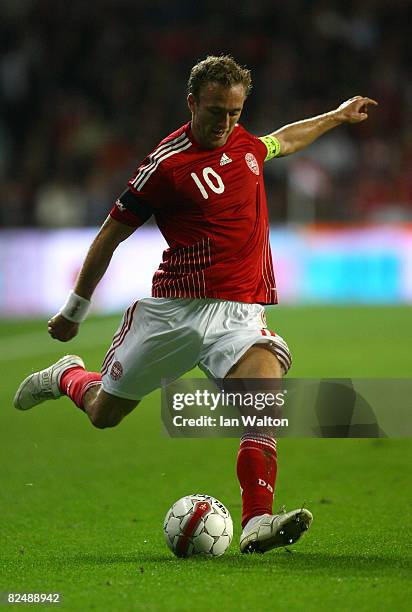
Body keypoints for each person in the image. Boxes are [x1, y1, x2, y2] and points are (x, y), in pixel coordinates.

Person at [14, 55, 377, 554]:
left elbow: (285, 139)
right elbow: (109, 236)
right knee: (103, 413)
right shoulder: (166, 166)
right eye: (214, 112)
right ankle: (66, 376)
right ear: (191, 103)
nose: (224, 123)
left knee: (264, 405)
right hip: (175, 314)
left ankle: (256, 520)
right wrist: (75, 310)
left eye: (233, 112)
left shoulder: (247, 144)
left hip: (237, 315)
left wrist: (336, 116)